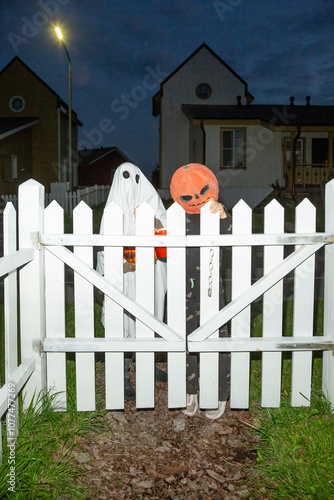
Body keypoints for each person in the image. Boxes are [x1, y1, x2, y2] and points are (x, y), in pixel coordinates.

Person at [96, 162, 167, 400]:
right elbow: (105, 253)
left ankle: (147, 365)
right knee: (124, 324)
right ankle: (124, 375)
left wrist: (152, 221)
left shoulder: (153, 205)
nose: (130, 185)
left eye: (134, 178)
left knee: (149, 319)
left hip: (152, 274)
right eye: (123, 178)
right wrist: (125, 266)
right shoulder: (112, 213)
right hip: (124, 278)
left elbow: (166, 235)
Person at [170, 163, 232, 419]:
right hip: (181, 290)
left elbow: (232, 247)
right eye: (188, 196)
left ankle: (219, 391)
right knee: (183, 338)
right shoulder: (175, 217)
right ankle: (189, 390)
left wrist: (224, 218)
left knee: (217, 338)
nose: (196, 199)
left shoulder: (216, 215)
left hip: (211, 289)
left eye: (201, 192)